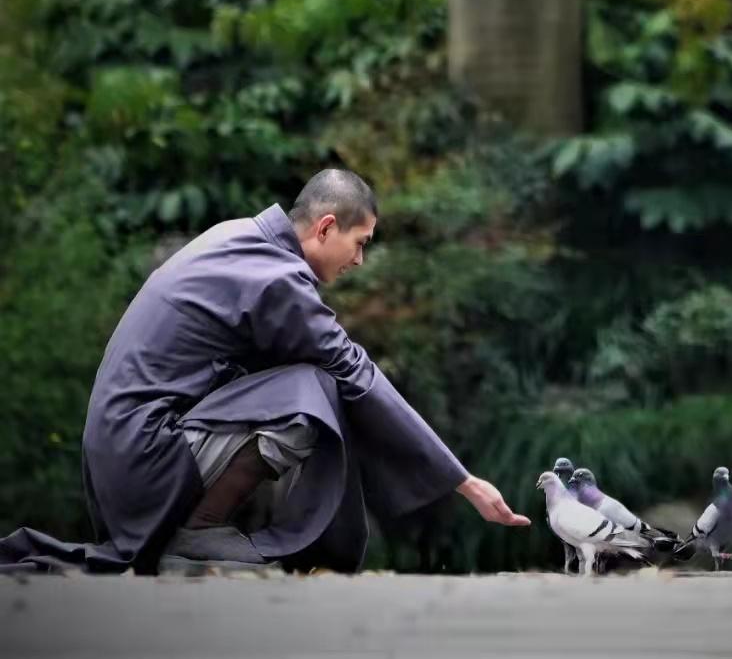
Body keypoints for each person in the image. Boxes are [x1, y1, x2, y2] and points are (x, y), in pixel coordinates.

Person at [0, 169, 529, 574]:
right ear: (326, 227)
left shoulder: (241, 238)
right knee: (315, 386)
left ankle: (200, 531)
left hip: (126, 460)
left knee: (306, 380)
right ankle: (199, 532)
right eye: (360, 243)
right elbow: (355, 373)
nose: (360, 261)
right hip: (143, 460)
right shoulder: (275, 276)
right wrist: (463, 481)